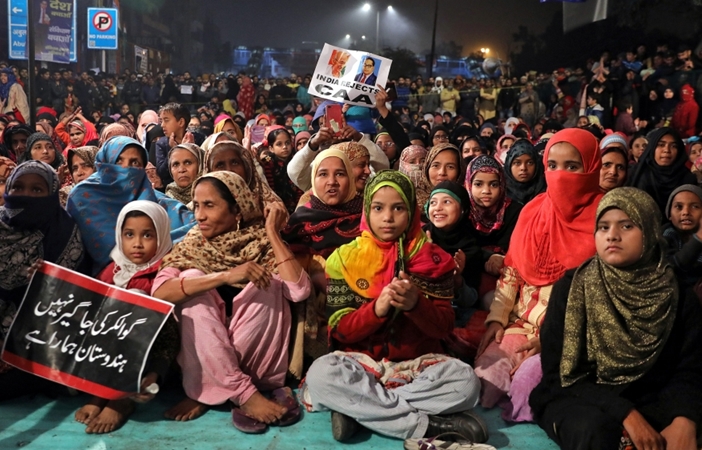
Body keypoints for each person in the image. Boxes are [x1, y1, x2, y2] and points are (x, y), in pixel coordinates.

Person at [300, 170, 487, 444]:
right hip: (362, 365)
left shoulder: (435, 260)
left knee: (465, 382)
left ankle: (359, 412)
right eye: (378, 208)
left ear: (411, 210)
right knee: (322, 373)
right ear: (367, 211)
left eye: (398, 208)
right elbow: (340, 330)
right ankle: (428, 426)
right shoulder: (343, 258)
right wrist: (377, 309)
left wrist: (416, 305)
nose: (387, 217)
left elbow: (444, 327)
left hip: (417, 367)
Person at [530, 187, 702, 450]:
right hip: (581, 396)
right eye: (603, 227)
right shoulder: (573, 288)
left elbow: (689, 368)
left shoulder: (677, 294)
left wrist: (684, 419)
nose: (612, 235)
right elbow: (558, 375)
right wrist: (627, 414)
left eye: (627, 225)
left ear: (650, 231)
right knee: (596, 432)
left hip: (655, 397)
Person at [152, 172, 310, 431]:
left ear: (237, 210)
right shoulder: (191, 245)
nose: (199, 215)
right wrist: (224, 276)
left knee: (269, 283)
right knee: (191, 282)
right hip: (210, 362)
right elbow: (160, 293)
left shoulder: (262, 242)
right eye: (197, 205)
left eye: (209, 205)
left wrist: (272, 232)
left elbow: (299, 291)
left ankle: (212, 390)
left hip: (257, 366)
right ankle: (242, 393)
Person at [475, 128, 603, 421]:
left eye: (572, 167)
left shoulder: (604, 217)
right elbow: (512, 271)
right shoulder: (533, 211)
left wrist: (553, 339)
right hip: (520, 321)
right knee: (485, 383)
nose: (560, 175)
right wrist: (496, 319)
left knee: (526, 391)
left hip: (568, 335)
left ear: (591, 167)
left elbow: (599, 298)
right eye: (553, 166)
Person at [75, 201, 179, 434]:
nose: (137, 244)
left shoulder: (166, 270)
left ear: (161, 236)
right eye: (129, 234)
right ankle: (101, 392)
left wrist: (156, 373)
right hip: (109, 353)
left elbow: (169, 334)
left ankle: (121, 399)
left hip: (154, 354)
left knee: (135, 299)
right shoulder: (113, 269)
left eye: (148, 235)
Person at [0, 161, 89, 400]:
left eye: (37, 190)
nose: (25, 195)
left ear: (51, 194)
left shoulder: (64, 234)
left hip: (37, 341)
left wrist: (48, 285)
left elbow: (74, 308)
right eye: (17, 187)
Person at [66, 136, 196, 273]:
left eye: (134, 163)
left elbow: (193, 226)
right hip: (104, 284)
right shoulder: (83, 197)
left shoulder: (153, 198)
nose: (126, 168)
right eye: (118, 161)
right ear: (104, 162)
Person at [424, 180, 482, 326]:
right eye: (433, 203)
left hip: (456, 311)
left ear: (463, 209)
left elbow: (471, 301)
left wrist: (457, 281)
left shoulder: (470, 245)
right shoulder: (420, 237)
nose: (438, 208)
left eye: (447, 202)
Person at [464, 155, 522, 294]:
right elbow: (462, 247)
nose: (486, 191)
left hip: (510, 273)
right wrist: (488, 257)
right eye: (478, 184)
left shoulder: (515, 211)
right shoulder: (462, 210)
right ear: (468, 184)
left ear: (502, 184)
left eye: (493, 184)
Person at [627, 127, 697, 216]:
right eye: (661, 145)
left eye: (673, 146)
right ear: (652, 148)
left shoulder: (687, 178)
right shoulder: (639, 173)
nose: (667, 150)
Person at [663, 184, 702, 293]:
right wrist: (698, 239)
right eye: (679, 207)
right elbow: (670, 269)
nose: (686, 212)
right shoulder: (666, 235)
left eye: (695, 206)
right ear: (669, 214)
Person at [257, 127, 303, 214]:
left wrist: (300, 206)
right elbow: (270, 188)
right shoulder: (268, 162)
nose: (285, 147)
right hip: (277, 205)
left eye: (287, 143)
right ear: (271, 148)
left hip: (298, 204)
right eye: (279, 144)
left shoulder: (296, 159)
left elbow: (300, 185)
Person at [415, 142, 464, 212]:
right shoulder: (412, 204)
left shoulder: (467, 205)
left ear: (459, 171)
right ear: (426, 168)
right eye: (435, 165)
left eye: (450, 167)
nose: (442, 172)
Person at [503, 139, 546, 206]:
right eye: (517, 163)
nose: (523, 168)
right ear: (509, 165)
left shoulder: (545, 192)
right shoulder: (501, 193)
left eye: (530, 163)